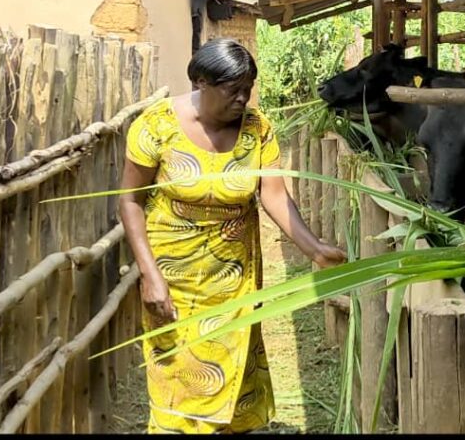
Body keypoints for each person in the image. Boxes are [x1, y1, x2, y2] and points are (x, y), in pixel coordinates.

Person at [118, 38, 347, 434]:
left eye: (248, 89)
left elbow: (273, 195)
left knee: (234, 368)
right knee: (179, 376)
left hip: (234, 279)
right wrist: (149, 276)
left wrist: (314, 249)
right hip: (173, 278)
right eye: (233, 89)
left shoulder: (257, 129)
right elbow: (129, 201)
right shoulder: (156, 125)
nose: (243, 98)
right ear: (201, 82)